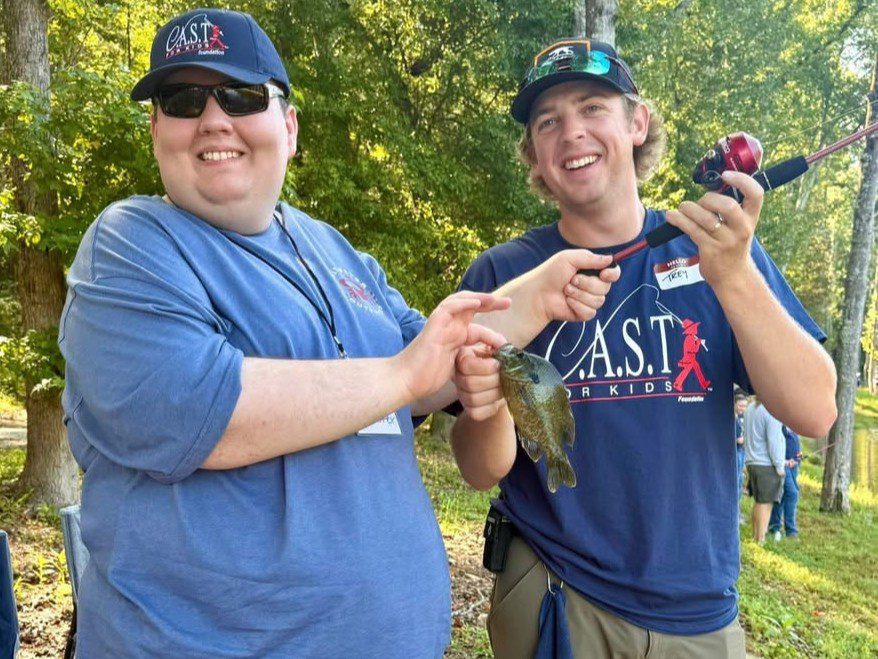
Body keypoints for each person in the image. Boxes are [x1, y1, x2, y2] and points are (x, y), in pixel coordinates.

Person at [57, 9, 516, 657]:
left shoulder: (335, 249)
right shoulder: (129, 243)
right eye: (183, 100)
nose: (213, 119)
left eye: (241, 96)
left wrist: (528, 307)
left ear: (290, 126)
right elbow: (199, 410)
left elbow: (441, 368)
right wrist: (403, 373)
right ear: (157, 128)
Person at [449, 38, 837, 658]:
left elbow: (816, 411)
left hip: (702, 612)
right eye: (548, 122)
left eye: (592, 107)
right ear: (536, 158)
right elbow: (477, 468)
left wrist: (733, 273)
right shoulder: (503, 276)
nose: (571, 132)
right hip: (556, 594)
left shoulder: (716, 250)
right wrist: (488, 402)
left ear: (636, 123)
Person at [743, 398, 787, 543]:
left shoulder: (750, 408)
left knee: (758, 501)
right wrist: (779, 465)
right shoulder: (771, 411)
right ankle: (759, 538)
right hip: (766, 463)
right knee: (765, 503)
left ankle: (756, 535)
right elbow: (773, 440)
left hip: (752, 461)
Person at [768, 425, 803, 541]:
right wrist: (785, 461)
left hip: (793, 467)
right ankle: (791, 531)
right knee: (793, 493)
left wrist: (798, 457)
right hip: (783, 465)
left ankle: (774, 526)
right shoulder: (779, 427)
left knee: (782, 496)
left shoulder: (793, 427)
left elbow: (795, 446)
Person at [735, 390, 749, 523]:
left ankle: (738, 511)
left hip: (742, 452)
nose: (742, 409)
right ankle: (736, 514)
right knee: (737, 483)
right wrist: (746, 438)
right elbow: (738, 439)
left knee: (740, 481)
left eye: (745, 406)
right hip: (736, 452)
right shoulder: (733, 419)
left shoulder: (741, 419)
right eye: (740, 406)